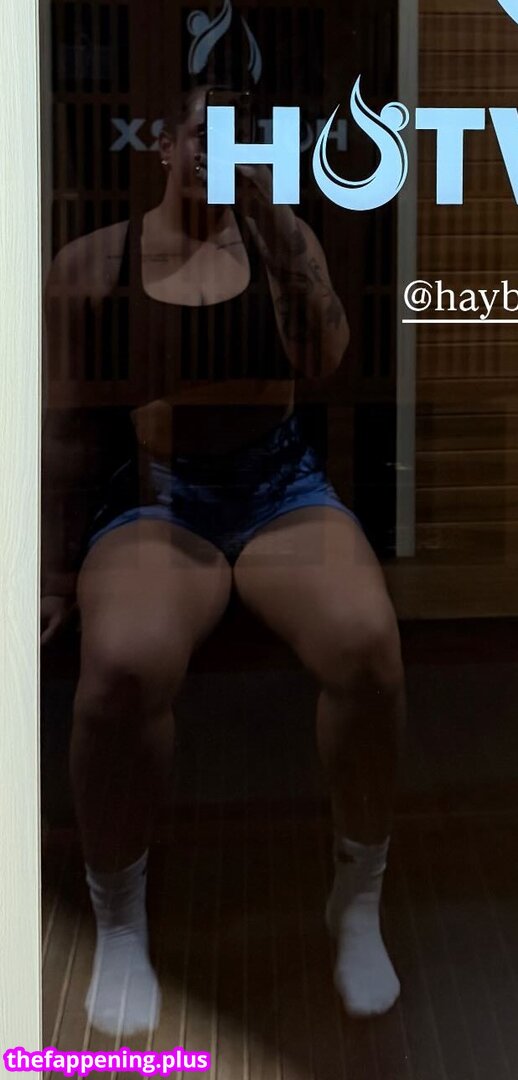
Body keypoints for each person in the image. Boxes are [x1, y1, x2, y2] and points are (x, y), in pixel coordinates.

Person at [41, 83, 406, 1035]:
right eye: (205, 134)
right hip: (160, 493)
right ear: (165, 144)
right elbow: (64, 425)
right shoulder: (95, 262)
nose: (221, 151)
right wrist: (50, 567)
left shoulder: (282, 239)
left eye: (246, 139)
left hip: (279, 485)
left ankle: (357, 896)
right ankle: (121, 918)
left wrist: (278, 226)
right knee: (121, 667)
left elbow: (326, 363)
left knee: (368, 646)